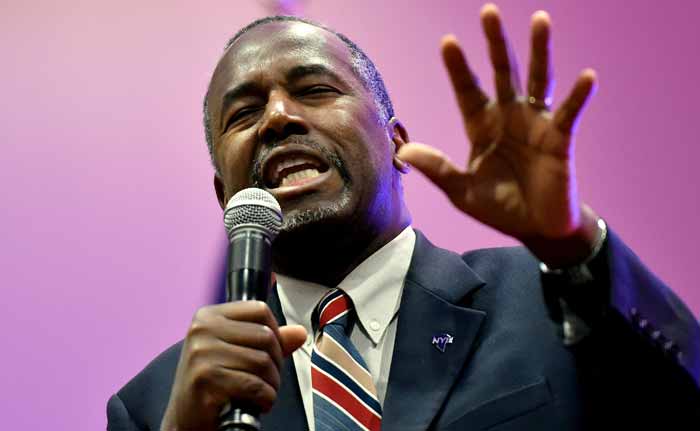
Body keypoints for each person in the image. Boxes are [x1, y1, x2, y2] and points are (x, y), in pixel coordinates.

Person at [107, 4, 700, 430]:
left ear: (396, 142)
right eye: (244, 112)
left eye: (314, 89)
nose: (278, 117)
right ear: (223, 194)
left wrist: (572, 245)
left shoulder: (551, 299)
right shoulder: (158, 404)